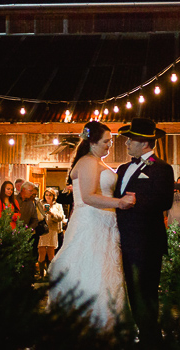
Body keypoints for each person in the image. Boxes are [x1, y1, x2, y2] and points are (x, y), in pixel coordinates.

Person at [49, 121, 136, 330]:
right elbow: (88, 196)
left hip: (105, 224)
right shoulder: (88, 162)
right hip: (91, 222)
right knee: (92, 271)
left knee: (106, 272)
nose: (110, 145)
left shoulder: (97, 162)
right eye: (106, 141)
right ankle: (90, 326)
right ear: (93, 142)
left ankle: (108, 325)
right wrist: (120, 202)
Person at [114, 118, 175, 345]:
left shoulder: (162, 169)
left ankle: (151, 338)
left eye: (131, 139)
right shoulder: (122, 168)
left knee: (146, 292)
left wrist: (137, 200)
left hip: (147, 241)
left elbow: (165, 200)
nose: (127, 143)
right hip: (123, 239)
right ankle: (141, 333)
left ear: (145, 143)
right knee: (131, 290)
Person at [38, 188, 65, 278]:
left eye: (50, 195)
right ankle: (41, 273)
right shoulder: (40, 203)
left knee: (51, 253)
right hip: (42, 230)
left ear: (54, 196)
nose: (48, 196)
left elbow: (60, 217)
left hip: (52, 230)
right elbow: (37, 215)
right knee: (41, 252)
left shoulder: (58, 206)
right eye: (46, 195)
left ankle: (50, 274)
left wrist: (51, 213)